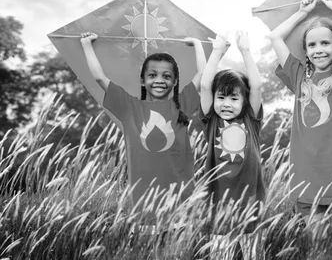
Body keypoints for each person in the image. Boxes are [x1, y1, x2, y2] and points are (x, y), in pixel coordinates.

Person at [80, 32, 205, 223]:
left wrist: (197, 44)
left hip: (181, 198)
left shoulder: (182, 105)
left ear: (175, 81)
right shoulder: (129, 107)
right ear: (142, 80)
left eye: (167, 76)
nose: (159, 80)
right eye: (152, 75)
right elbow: (99, 77)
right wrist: (87, 44)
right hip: (144, 202)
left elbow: (203, 76)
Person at [267, 0, 332, 220]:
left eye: (325, 43)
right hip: (306, 181)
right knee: (316, 248)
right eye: (312, 45)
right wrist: (303, 12)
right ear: (306, 51)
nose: (318, 49)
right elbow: (275, 38)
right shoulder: (298, 76)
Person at [200, 30, 265, 259]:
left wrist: (245, 50)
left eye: (234, 98)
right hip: (219, 206)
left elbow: (256, 86)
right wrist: (217, 51)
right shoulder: (212, 121)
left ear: (244, 101)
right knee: (221, 255)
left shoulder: (251, 119)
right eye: (221, 97)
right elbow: (205, 85)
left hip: (251, 204)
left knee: (253, 254)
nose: (226, 103)